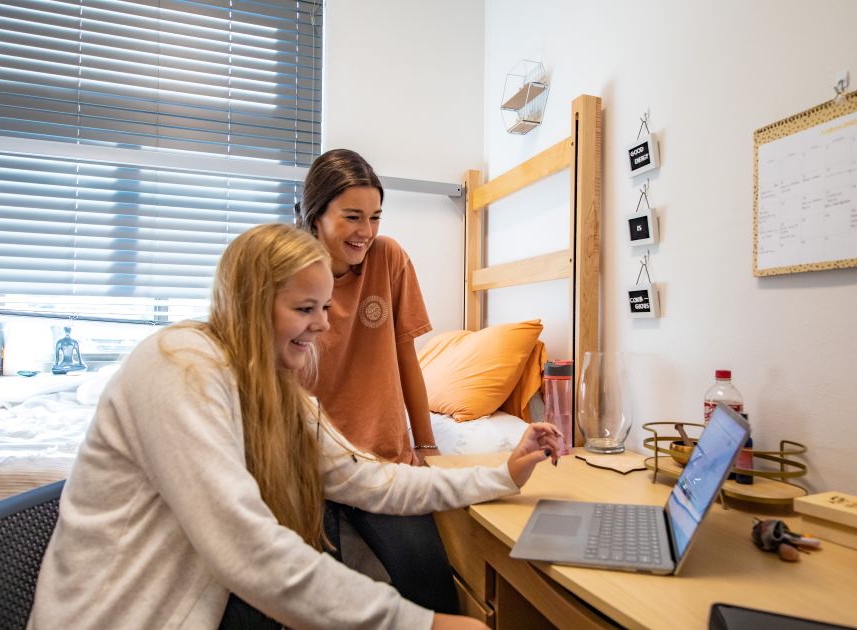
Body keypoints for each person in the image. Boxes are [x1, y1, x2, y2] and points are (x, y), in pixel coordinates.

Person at [29, 223, 561, 630]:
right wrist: (418, 622)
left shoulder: (277, 393)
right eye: (306, 307)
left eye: (325, 306)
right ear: (250, 303)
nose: (325, 325)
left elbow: (374, 480)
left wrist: (503, 473)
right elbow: (246, 546)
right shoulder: (179, 367)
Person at [295, 148, 456, 612]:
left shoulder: (388, 259)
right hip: (308, 464)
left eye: (375, 217)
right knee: (311, 604)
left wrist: (425, 447)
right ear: (316, 213)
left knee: (433, 592)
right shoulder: (288, 270)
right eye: (352, 216)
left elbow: (407, 357)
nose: (366, 231)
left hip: (380, 458)